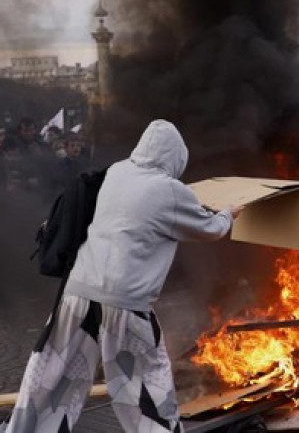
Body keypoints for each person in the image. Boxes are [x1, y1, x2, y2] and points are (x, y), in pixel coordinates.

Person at [3, 120, 242, 432]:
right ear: (174, 157)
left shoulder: (116, 172)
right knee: (145, 389)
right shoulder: (170, 190)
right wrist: (228, 213)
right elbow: (210, 230)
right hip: (126, 305)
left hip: (77, 294)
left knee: (53, 379)